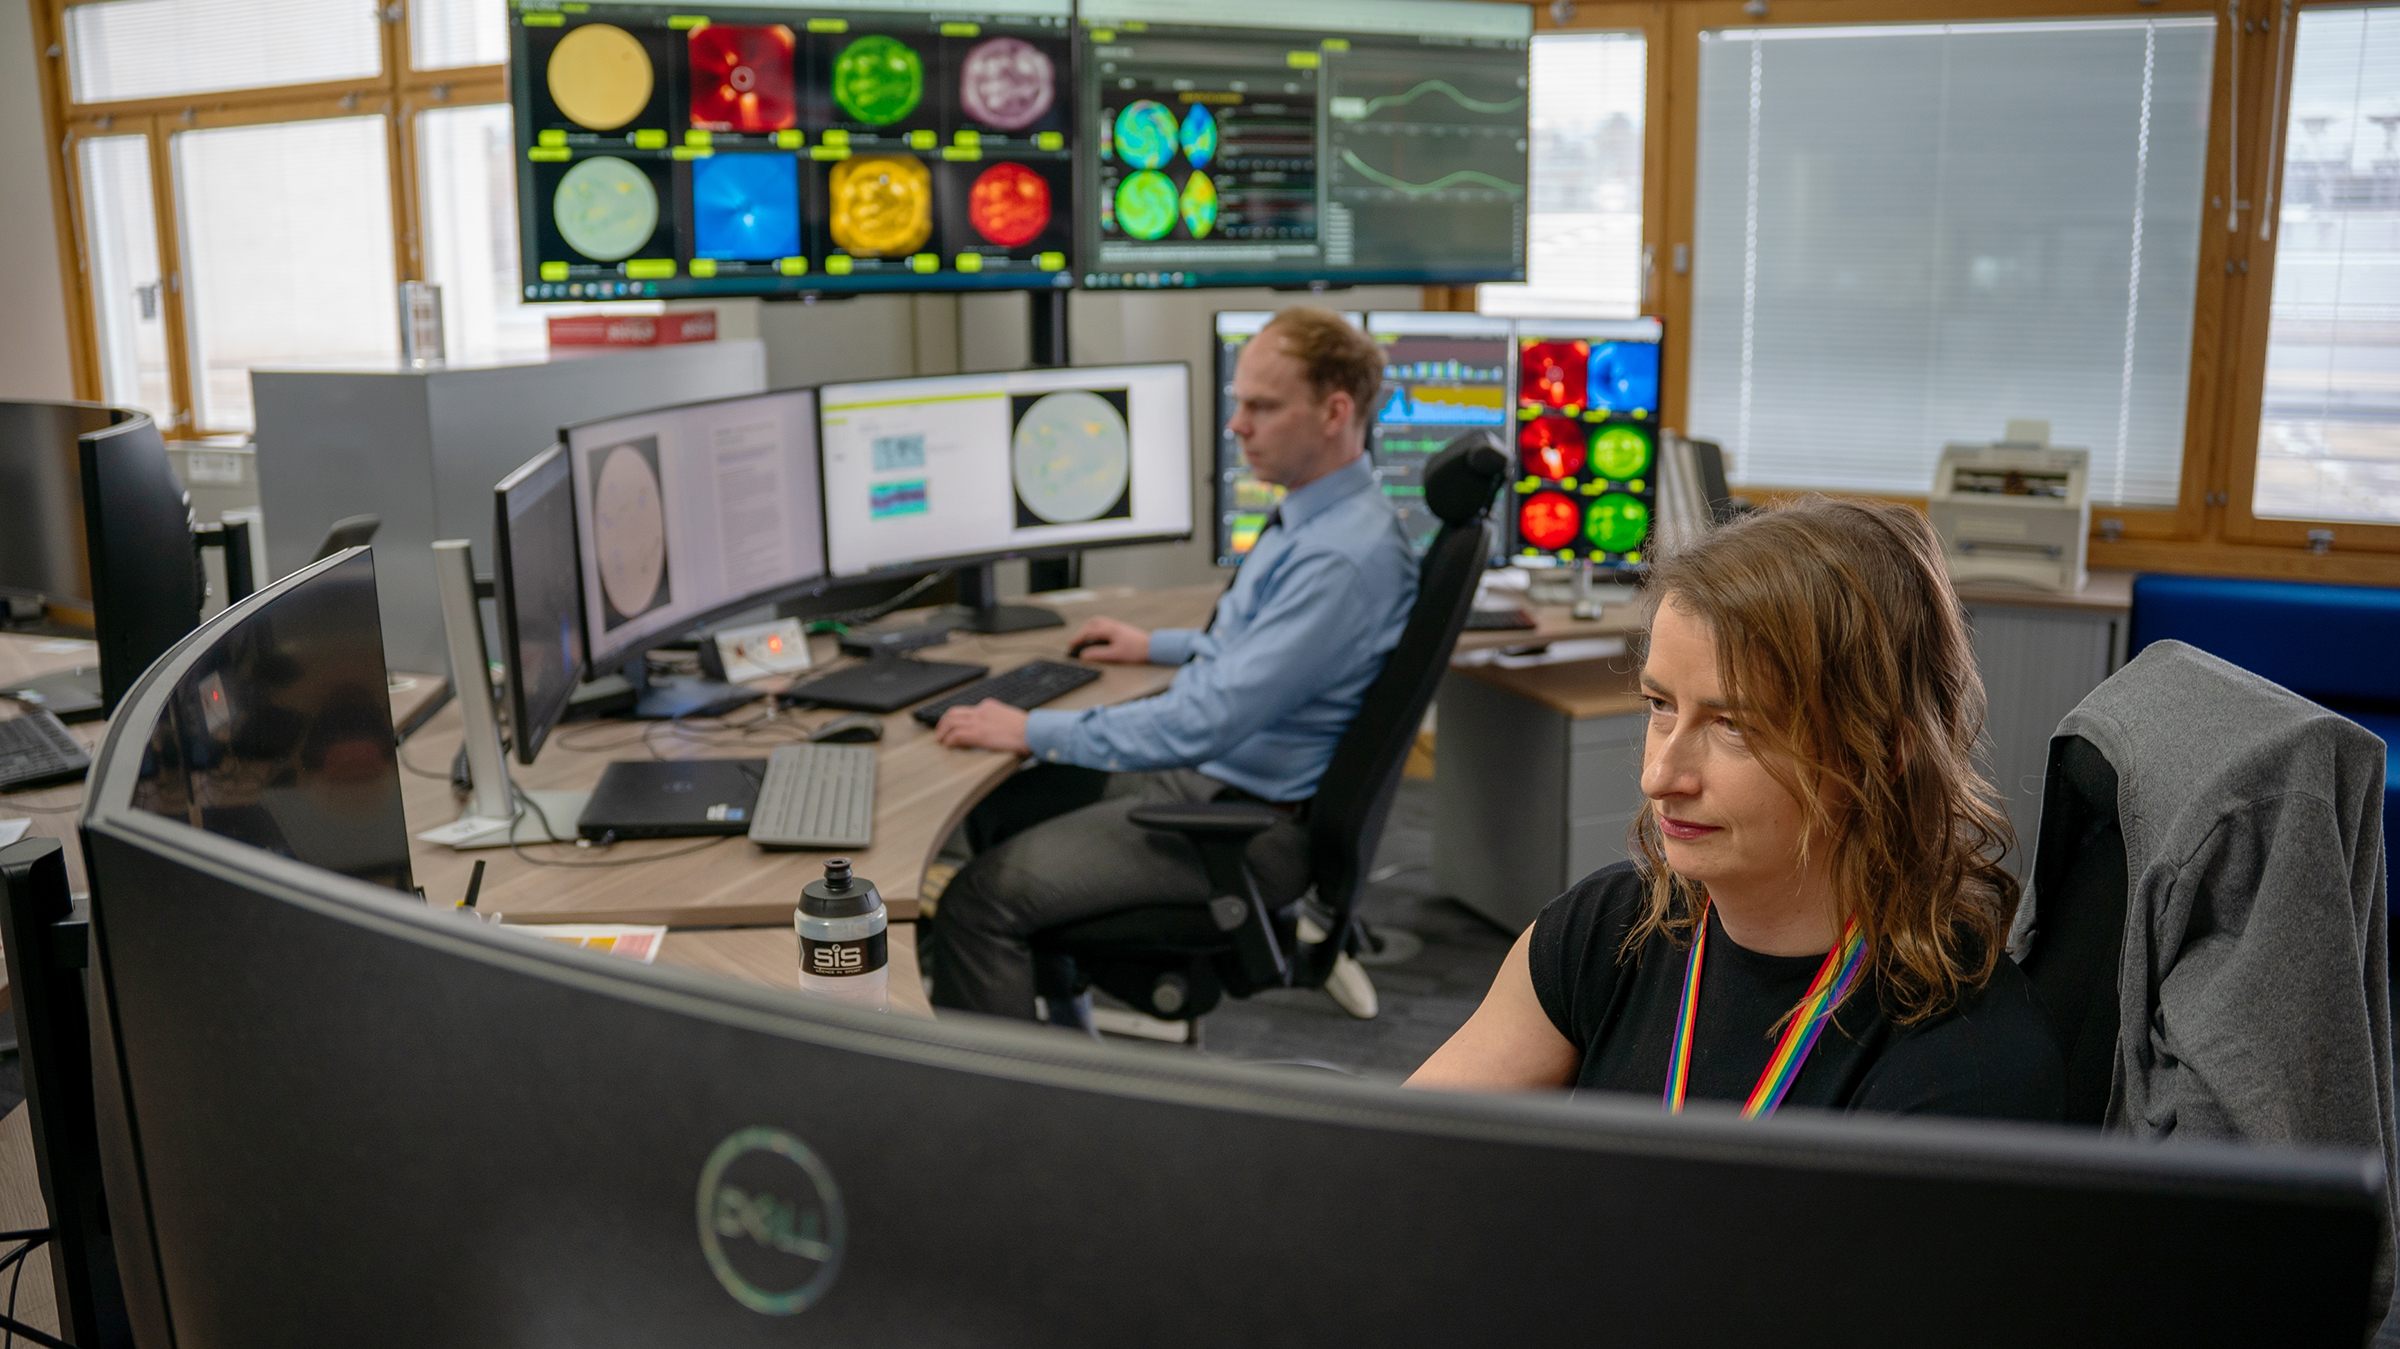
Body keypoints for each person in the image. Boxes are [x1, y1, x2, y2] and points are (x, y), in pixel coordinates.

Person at [1409, 497, 2063, 1120]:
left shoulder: (1966, 1065)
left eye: (1734, 726)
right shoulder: (1604, 930)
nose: (1659, 774)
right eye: (1660, 705)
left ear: (1885, 751)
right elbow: (1391, 1155)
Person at [927, 307, 1417, 1022]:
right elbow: (1266, 653)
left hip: (1247, 826)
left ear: (1335, 412)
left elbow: (1203, 720)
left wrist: (1031, 729)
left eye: (1261, 406)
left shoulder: (1340, 560)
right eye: (1237, 403)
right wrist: (1153, 645)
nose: (1236, 426)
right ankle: (1068, 1052)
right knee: (1005, 811)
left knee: (977, 901)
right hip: (1229, 781)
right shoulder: (1324, 518)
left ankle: (1020, 1127)